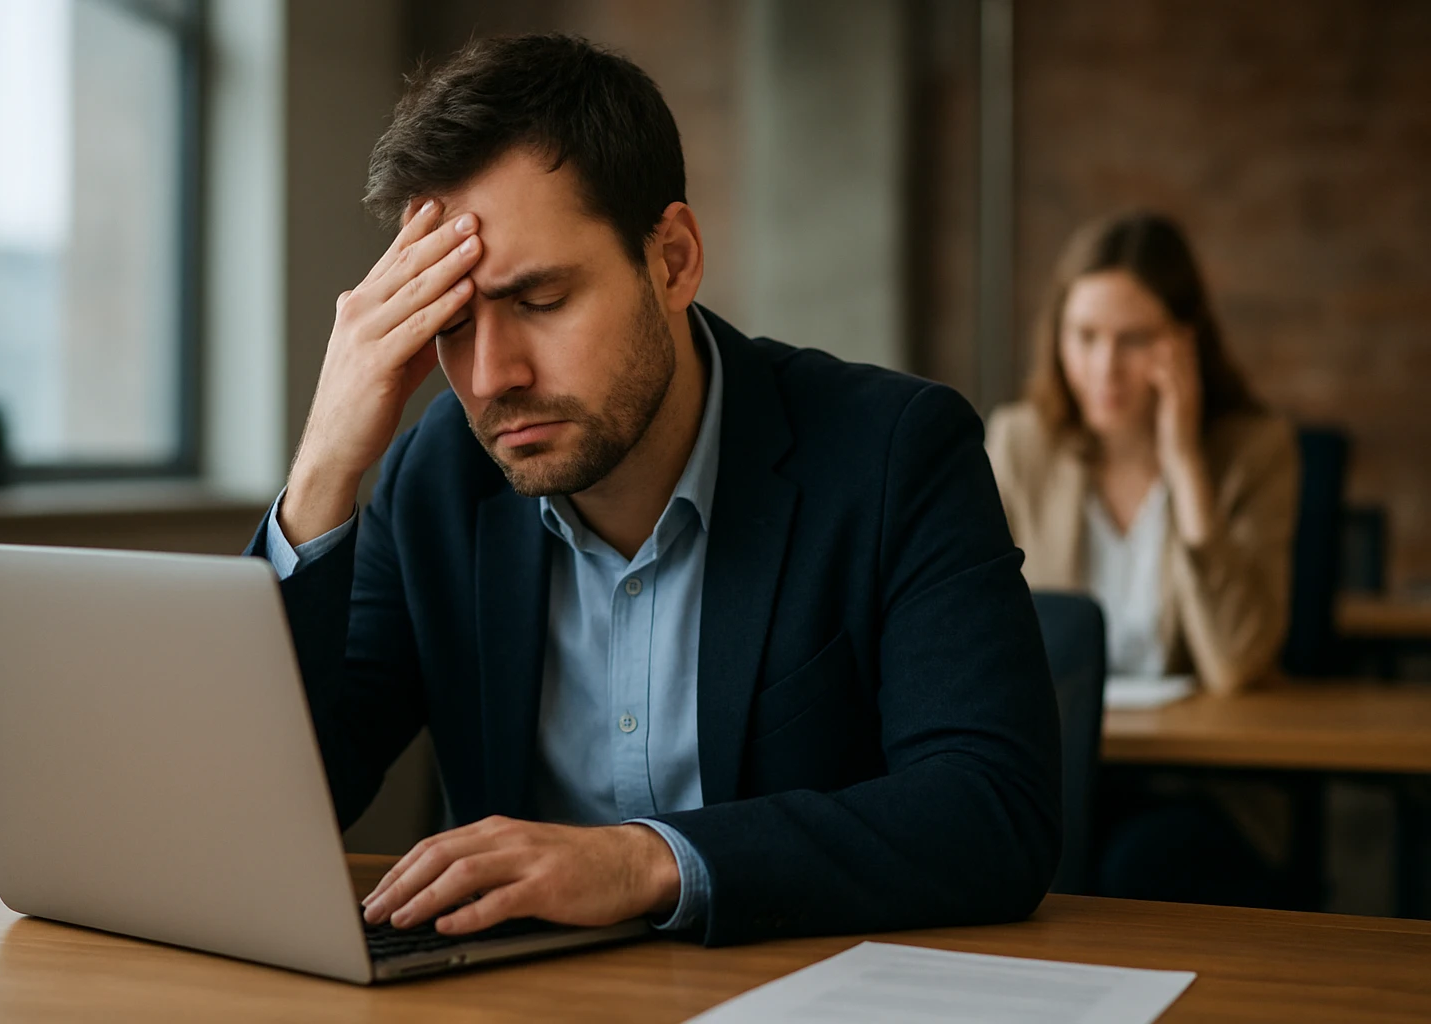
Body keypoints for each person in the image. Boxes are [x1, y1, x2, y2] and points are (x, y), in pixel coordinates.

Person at [250, 33, 1060, 946]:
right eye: (454, 322)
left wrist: (642, 861)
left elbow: (992, 812)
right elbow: (274, 803)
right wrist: (323, 470)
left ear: (672, 259)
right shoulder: (436, 474)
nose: (490, 376)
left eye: (541, 301)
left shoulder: (892, 452)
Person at [986, 211, 1299, 905]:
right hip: (1058, 768)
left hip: (1204, 783)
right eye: (1085, 337)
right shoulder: (1020, 445)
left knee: (1139, 867)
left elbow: (1237, 659)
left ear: (1187, 342)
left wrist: (1184, 462)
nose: (1104, 368)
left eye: (1135, 340)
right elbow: (985, 644)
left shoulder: (1253, 450)